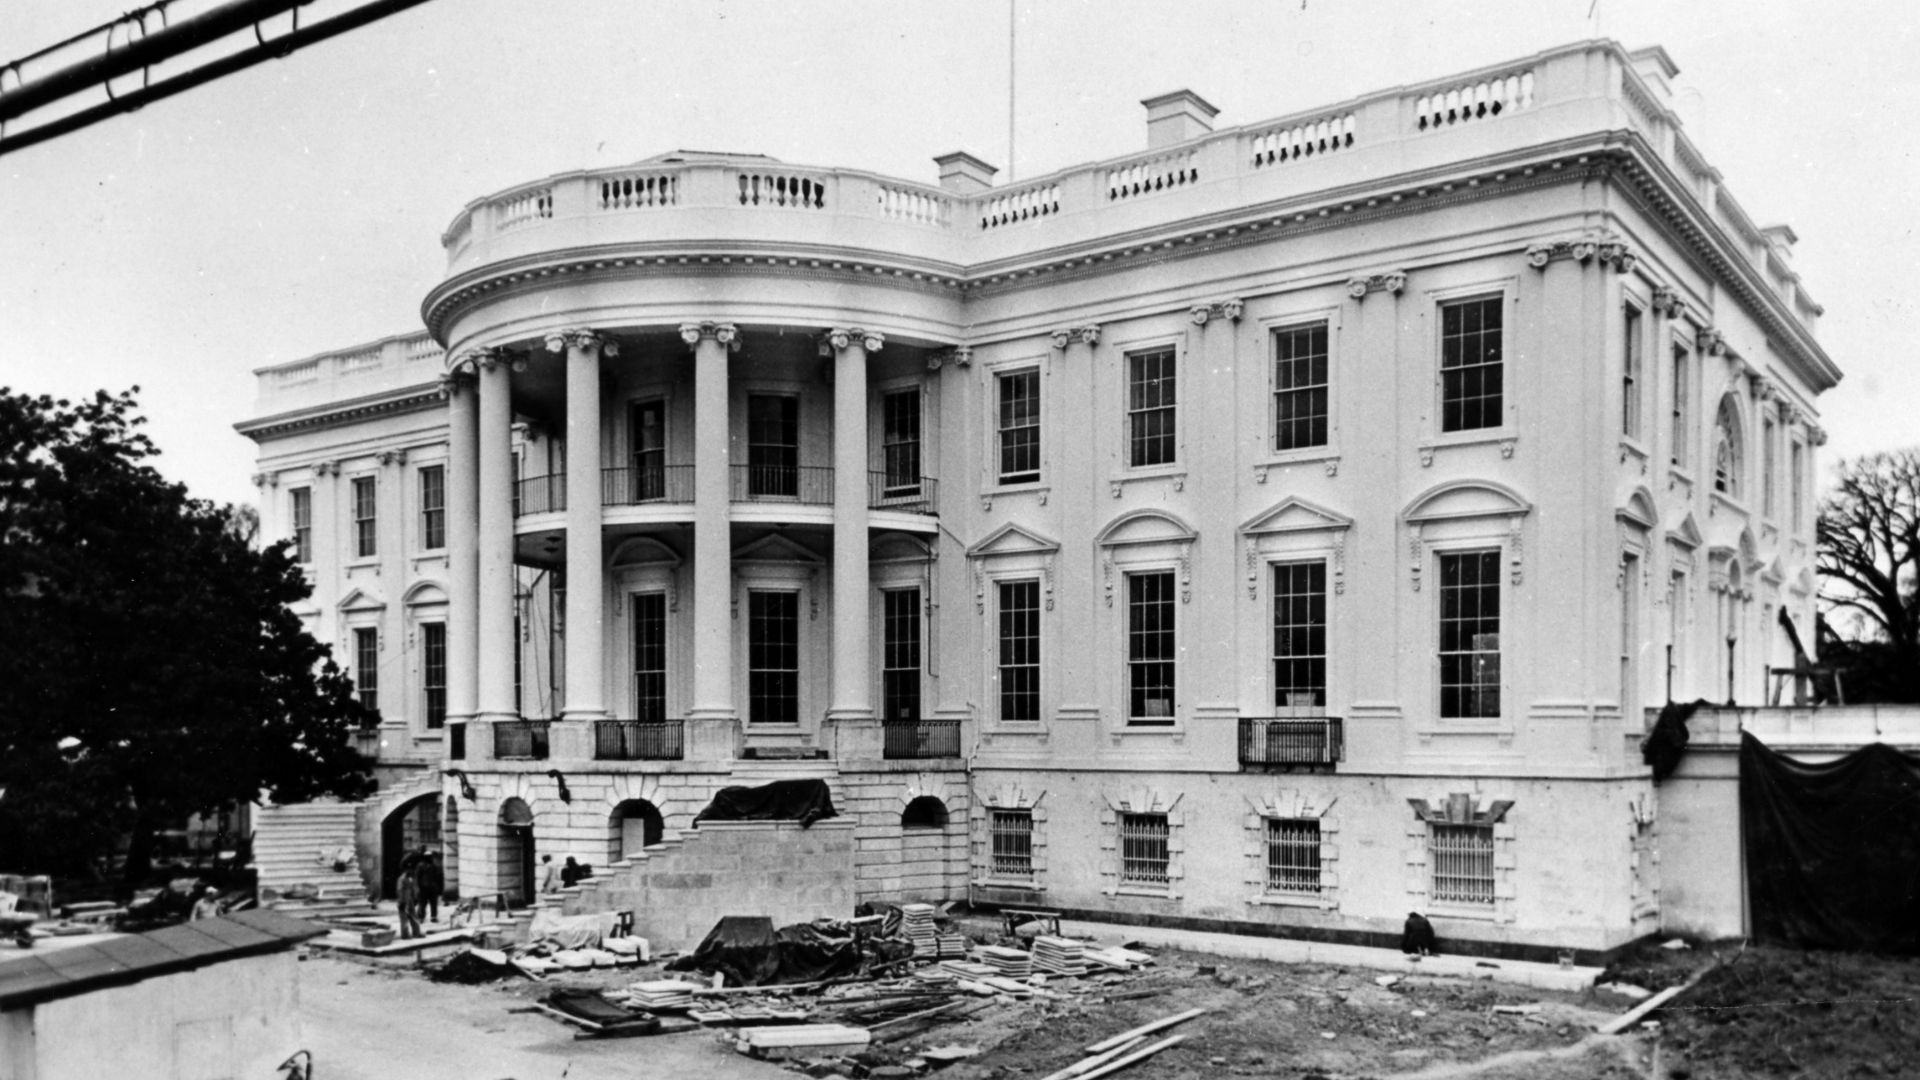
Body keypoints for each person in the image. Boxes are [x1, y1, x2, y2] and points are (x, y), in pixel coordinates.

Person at [416, 851, 444, 924]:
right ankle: (425, 917)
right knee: (426, 903)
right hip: (427, 887)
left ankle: (427, 917)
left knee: (426, 903)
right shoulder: (428, 866)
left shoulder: (423, 865)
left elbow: (437, 877)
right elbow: (418, 877)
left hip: (428, 887)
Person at [395, 866, 422, 940]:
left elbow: (414, 889)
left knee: (413, 915)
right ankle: (405, 934)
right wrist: (401, 901)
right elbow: (400, 890)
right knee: (404, 918)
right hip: (404, 899)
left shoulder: (410, 878)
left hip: (409, 899)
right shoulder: (402, 879)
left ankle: (416, 932)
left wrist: (415, 898)